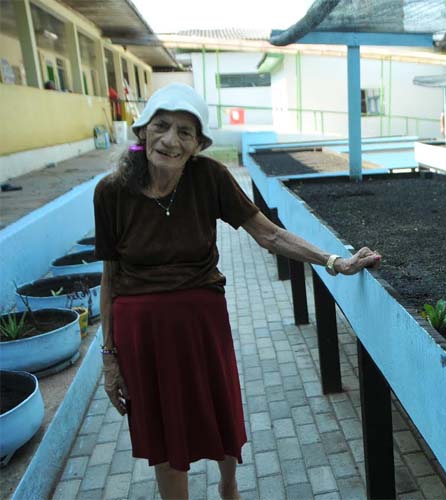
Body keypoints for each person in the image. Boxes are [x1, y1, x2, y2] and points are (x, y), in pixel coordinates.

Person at [94, 83, 381, 499]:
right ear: (142, 132)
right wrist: (109, 358)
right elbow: (109, 278)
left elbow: (269, 235)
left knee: (219, 411)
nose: (171, 140)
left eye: (185, 132)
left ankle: (229, 485)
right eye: (162, 126)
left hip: (201, 325)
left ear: (198, 145)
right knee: (164, 435)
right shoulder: (111, 191)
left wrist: (336, 263)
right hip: (142, 338)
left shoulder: (209, 177)